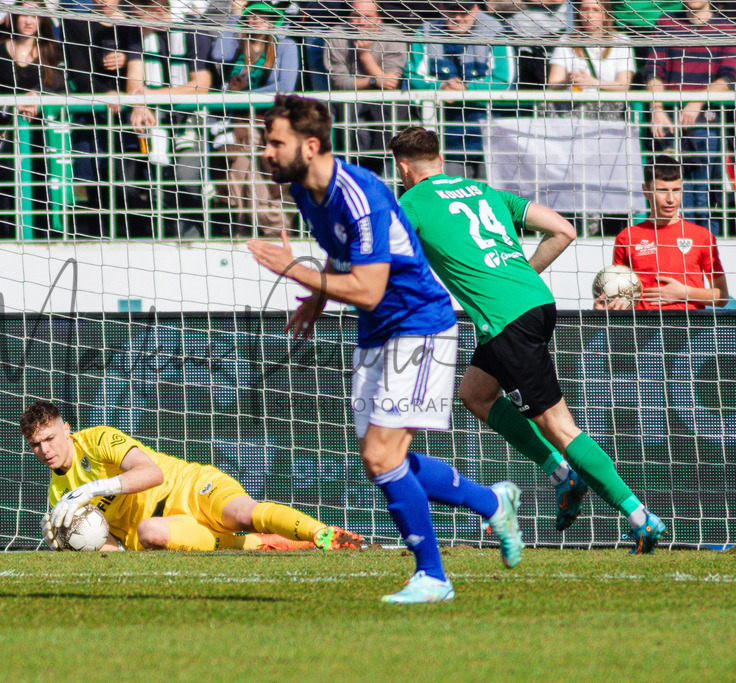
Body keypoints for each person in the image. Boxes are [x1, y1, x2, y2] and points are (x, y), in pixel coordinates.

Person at [248, 95, 524, 604]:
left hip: (420, 326)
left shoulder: (360, 193)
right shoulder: (308, 193)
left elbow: (371, 287)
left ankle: (434, 577)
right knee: (387, 459)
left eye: (275, 142)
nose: (266, 152)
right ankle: (492, 501)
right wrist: (314, 298)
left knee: (381, 456)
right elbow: (343, 259)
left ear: (310, 146)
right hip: (378, 332)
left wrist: (292, 270)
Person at [389, 126, 669, 554]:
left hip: (506, 321)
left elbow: (392, 259)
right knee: (476, 394)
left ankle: (639, 516)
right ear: (440, 160)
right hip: (535, 303)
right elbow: (564, 229)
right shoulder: (482, 189)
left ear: (403, 168)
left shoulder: (411, 202)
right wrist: (521, 276)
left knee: (558, 425)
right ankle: (563, 476)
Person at [20, 400, 364, 552]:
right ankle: (263, 543)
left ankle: (325, 535)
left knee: (242, 514)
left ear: (66, 429)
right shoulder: (58, 495)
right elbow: (110, 546)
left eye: (50, 438)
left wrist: (93, 488)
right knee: (149, 531)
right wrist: (73, 544)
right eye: (36, 444)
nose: (45, 449)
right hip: (158, 529)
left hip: (190, 488)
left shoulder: (97, 439)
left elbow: (151, 473)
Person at [0, 0, 66, 240]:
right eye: (22, 14)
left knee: (43, 191)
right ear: (12, 17)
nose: (28, 21)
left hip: (43, 140)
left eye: (34, 15)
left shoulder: (52, 52)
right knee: (7, 192)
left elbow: (62, 89)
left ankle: (46, 237)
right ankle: (9, 237)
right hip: (5, 140)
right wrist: (11, 104)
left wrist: (39, 99)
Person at [645, 0, 736, 236]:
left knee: (703, 198)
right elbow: (655, 70)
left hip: (708, 121)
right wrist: (657, 108)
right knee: (672, 197)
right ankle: (676, 249)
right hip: (670, 123)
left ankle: (706, 255)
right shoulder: (665, 23)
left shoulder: (726, 28)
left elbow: (729, 76)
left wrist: (697, 102)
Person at [127, 0, 216, 238]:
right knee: (159, 185)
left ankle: (204, 230)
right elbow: (134, 83)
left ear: (157, 10)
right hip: (156, 123)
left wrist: (151, 95)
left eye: (138, 12)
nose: (134, 18)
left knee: (186, 177)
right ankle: (171, 237)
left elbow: (201, 86)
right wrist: (139, 103)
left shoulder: (192, 29)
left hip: (190, 121)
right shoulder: (140, 34)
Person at [211, 1, 299, 236]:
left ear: (273, 19)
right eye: (251, 15)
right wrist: (235, 14)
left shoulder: (285, 46)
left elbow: (285, 87)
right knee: (239, 168)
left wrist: (241, 96)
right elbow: (218, 54)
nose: (256, 19)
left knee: (257, 168)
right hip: (237, 125)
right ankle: (245, 229)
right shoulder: (239, 45)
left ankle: (274, 226)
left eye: (263, 15)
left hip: (270, 124)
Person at [597, 155, 729, 310]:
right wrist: (607, 305)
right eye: (662, 190)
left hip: (689, 331)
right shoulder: (627, 237)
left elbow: (722, 296)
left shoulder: (702, 236)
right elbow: (618, 291)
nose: (671, 199)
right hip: (643, 330)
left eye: (676, 190)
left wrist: (685, 293)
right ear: (645, 191)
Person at [61, 0, 146, 237]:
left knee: (128, 180)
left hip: (126, 115)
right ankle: (92, 236)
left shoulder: (131, 25)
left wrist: (127, 60)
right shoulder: (76, 23)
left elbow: (140, 71)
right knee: (89, 180)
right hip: (89, 113)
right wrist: (104, 93)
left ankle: (137, 234)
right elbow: (77, 71)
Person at [404, 1, 514, 180]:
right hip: (443, 135)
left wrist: (465, 89)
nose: (458, 18)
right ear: (441, 8)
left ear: (476, 8)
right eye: (452, 10)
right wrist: (442, 87)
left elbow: (504, 80)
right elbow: (411, 78)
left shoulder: (496, 30)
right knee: (448, 192)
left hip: (490, 134)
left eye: (465, 12)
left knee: (492, 196)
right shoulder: (425, 31)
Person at [323, 0, 407, 176]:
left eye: (367, 17)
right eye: (355, 16)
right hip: (349, 103)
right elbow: (339, 82)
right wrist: (374, 82)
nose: (361, 22)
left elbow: (391, 85)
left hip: (386, 105)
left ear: (379, 19)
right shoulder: (336, 35)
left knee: (392, 117)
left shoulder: (394, 36)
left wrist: (365, 56)